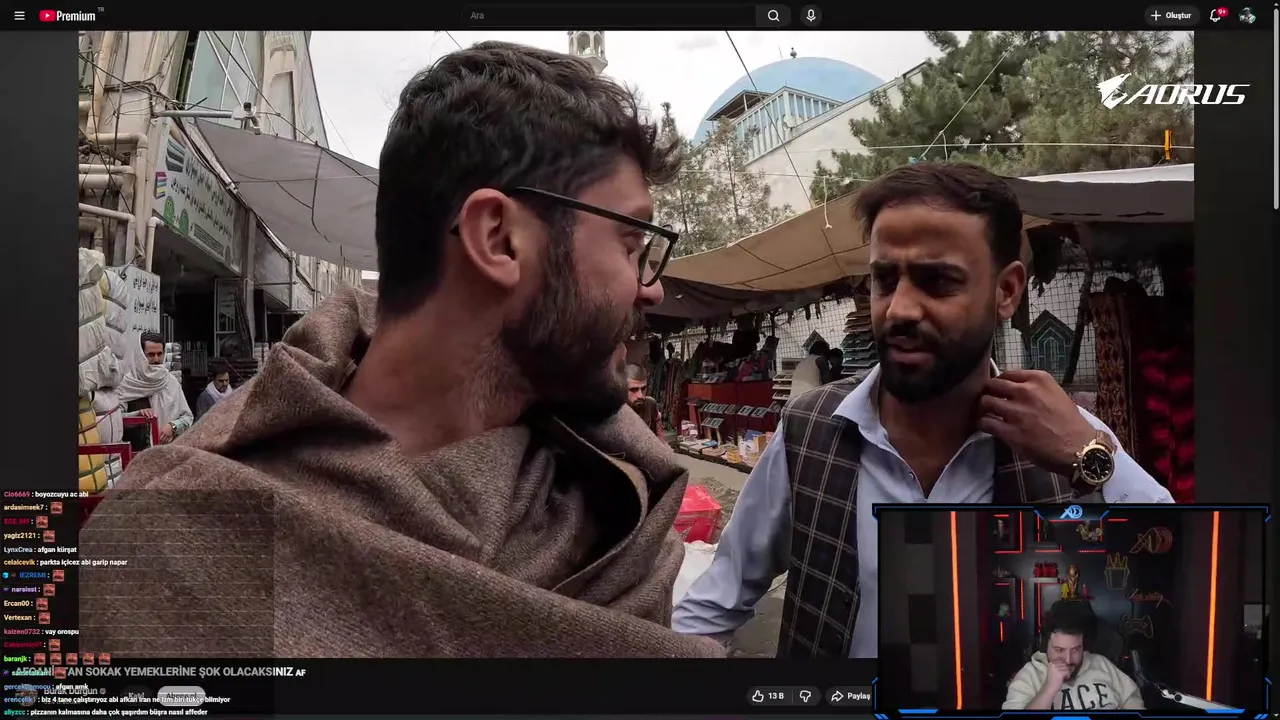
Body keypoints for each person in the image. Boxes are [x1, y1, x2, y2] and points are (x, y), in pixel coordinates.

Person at [79, 42, 721, 659]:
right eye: (631, 246)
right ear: (499, 239)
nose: (651, 288)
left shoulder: (621, 517)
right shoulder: (170, 542)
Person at [671, 162, 1174, 657]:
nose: (900, 309)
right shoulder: (810, 431)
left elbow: (1174, 588)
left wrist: (1089, 461)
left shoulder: (1073, 443)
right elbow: (716, 601)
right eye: (885, 280)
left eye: (938, 281)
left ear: (1005, 291)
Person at [1004, 602, 1143, 710]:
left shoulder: (1102, 664)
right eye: (1059, 650)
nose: (1068, 660)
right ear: (1046, 646)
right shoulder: (1029, 677)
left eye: (1076, 649)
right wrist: (1049, 689)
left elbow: (1132, 699)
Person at [115, 332, 192, 445]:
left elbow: (188, 417)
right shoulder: (127, 384)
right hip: (136, 452)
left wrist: (173, 427)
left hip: (166, 450)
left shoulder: (171, 382)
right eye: (151, 354)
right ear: (140, 355)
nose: (156, 359)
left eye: (159, 354)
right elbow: (115, 420)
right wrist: (137, 415)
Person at [626, 363, 662, 436]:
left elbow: (659, 436)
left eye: (643, 389)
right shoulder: (615, 411)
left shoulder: (651, 404)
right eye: (633, 389)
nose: (640, 396)